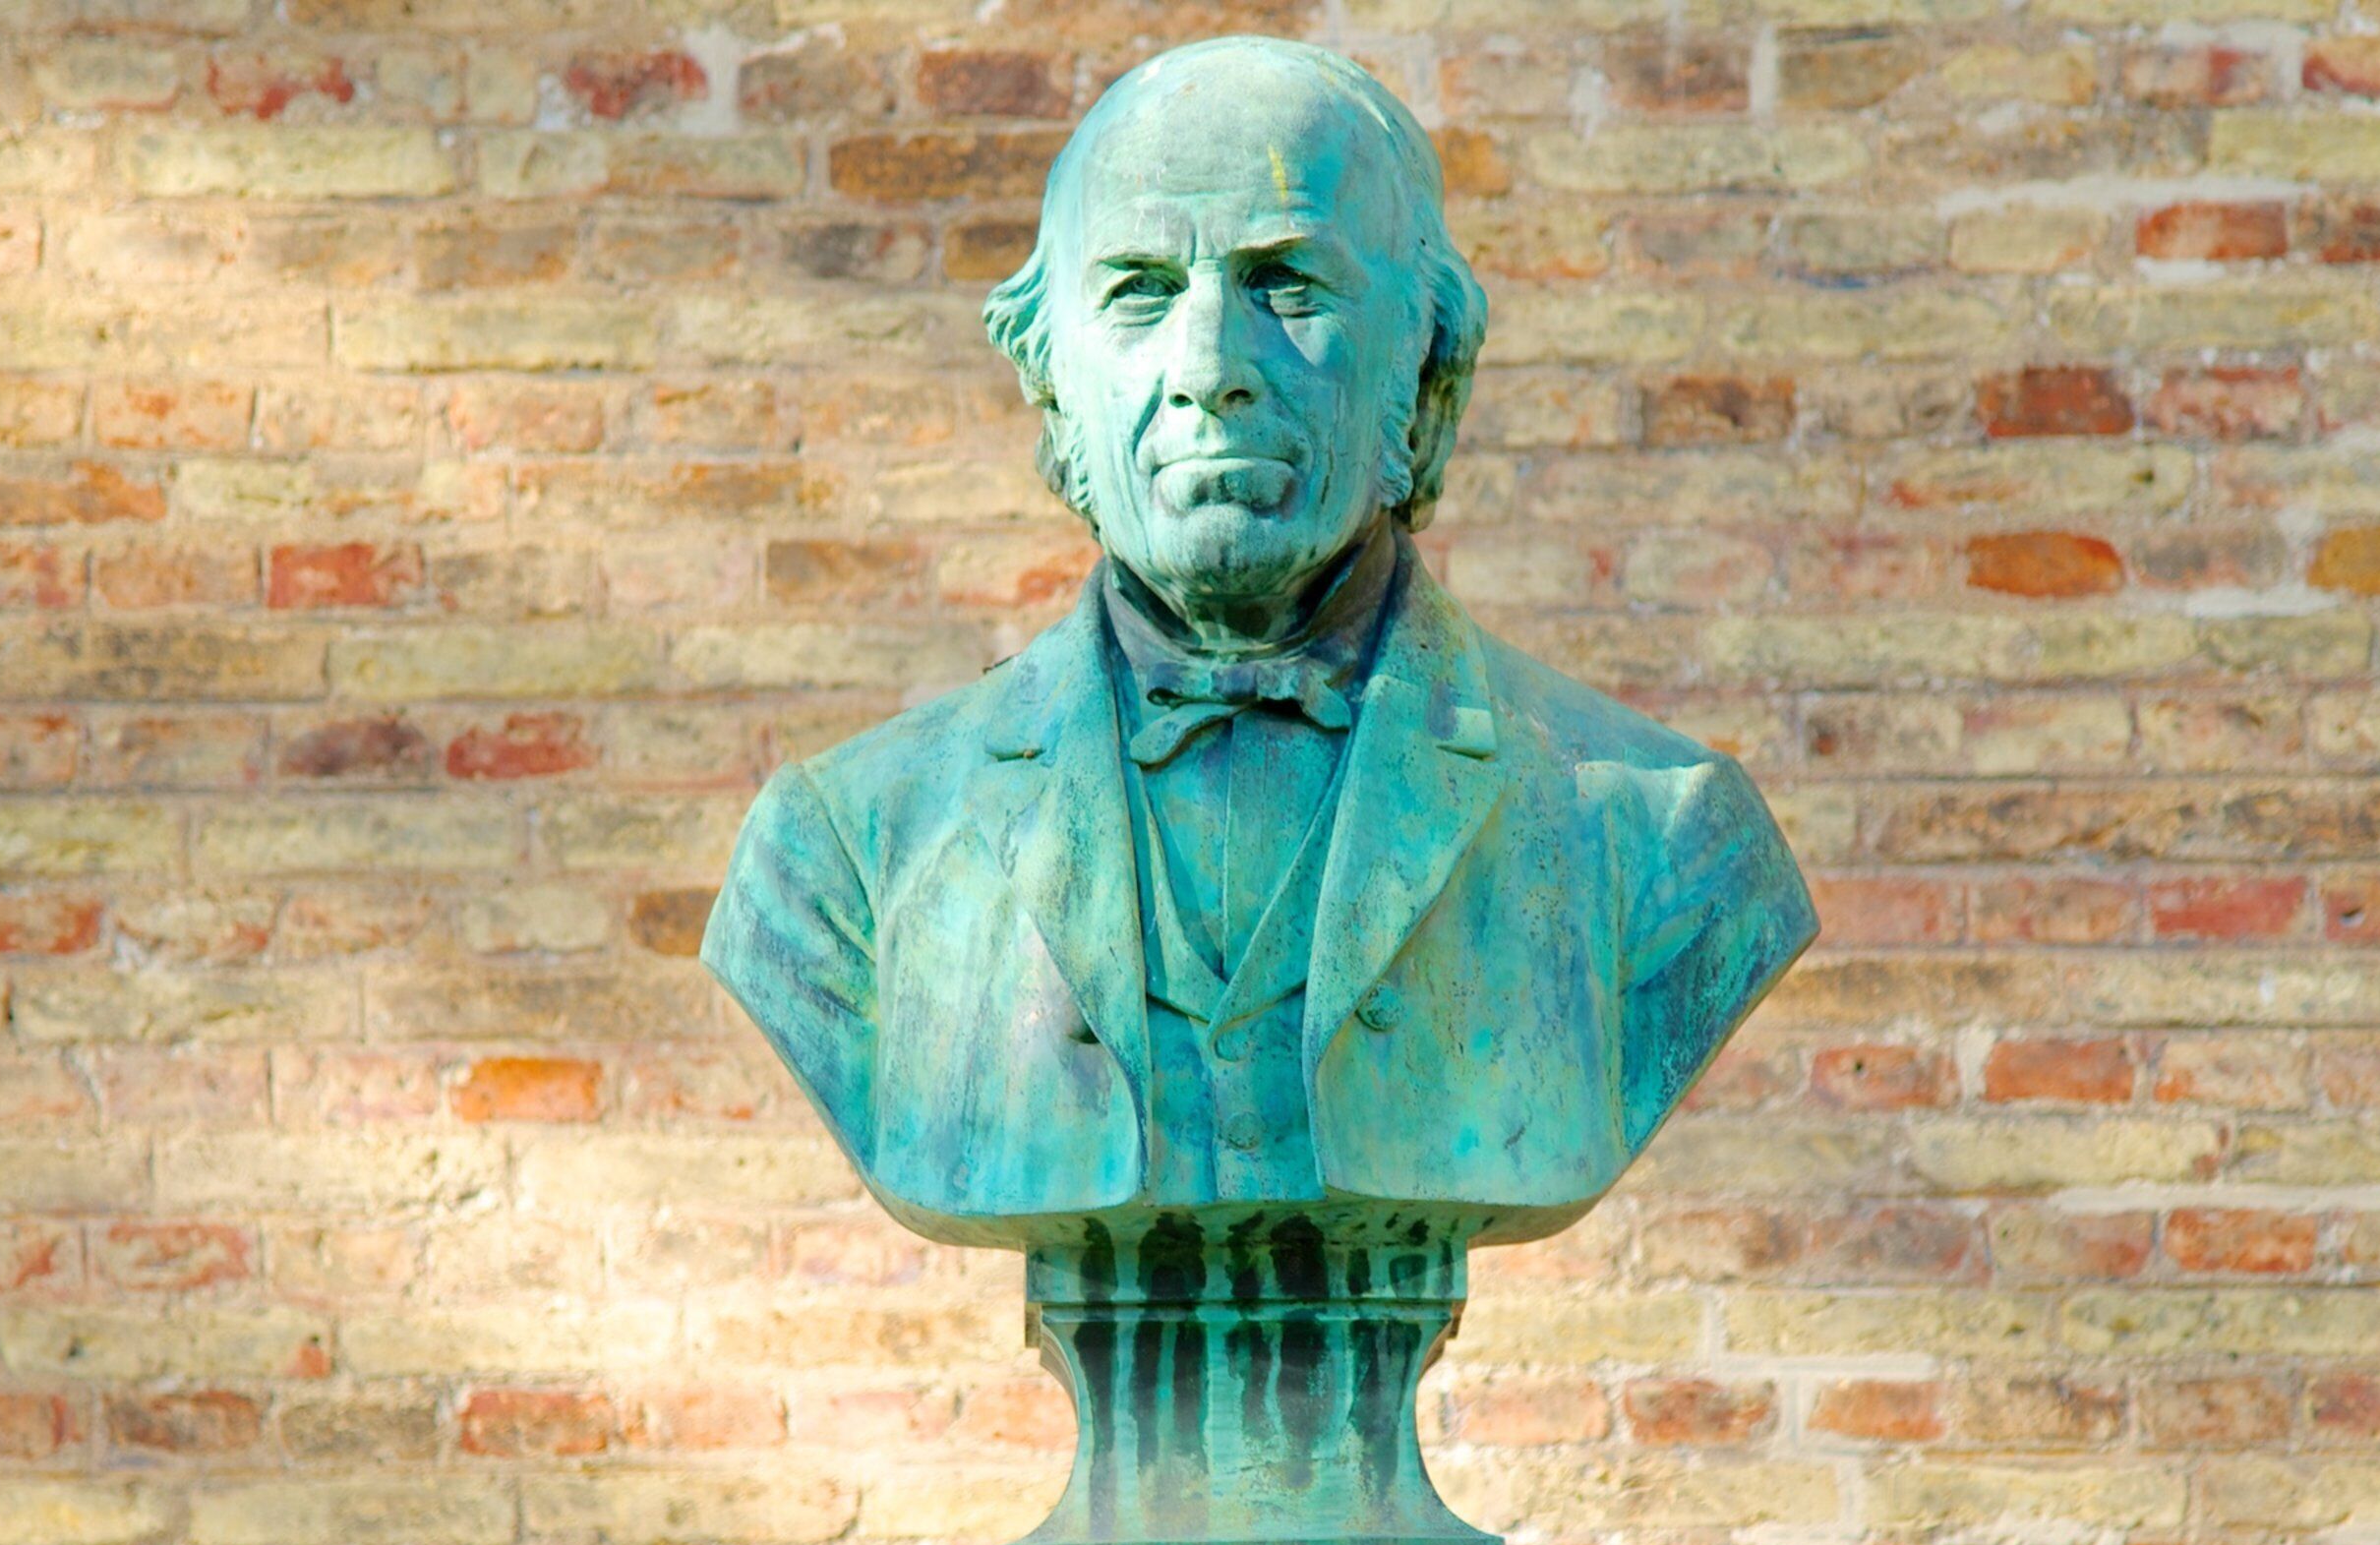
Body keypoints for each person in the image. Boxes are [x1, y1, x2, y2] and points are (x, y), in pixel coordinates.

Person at [703, 36, 1814, 1253]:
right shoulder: (844, 853)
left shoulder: (1657, 840)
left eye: (1288, 284)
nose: (1210, 371)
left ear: (1429, 362)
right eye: (1136, 290)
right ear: (1051, 380)